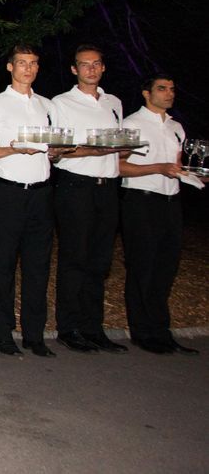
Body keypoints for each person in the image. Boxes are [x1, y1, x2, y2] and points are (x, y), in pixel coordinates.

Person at [0, 45, 58, 358]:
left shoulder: (47, 105)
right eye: (22, 63)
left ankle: (35, 335)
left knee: (38, 265)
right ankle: (3, 333)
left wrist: (57, 151)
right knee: (3, 263)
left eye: (33, 63)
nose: (28, 68)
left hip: (42, 191)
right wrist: (15, 148)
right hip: (10, 191)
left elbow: (55, 147)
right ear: (10, 68)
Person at [50, 44, 128, 354]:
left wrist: (117, 149)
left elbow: (118, 145)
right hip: (76, 185)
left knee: (100, 261)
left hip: (107, 186)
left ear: (103, 68)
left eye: (96, 64)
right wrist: (94, 149)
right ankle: (68, 328)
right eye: (84, 65)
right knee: (74, 258)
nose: (91, 69)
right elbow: (56, 150)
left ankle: (93, 327)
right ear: (74, 70)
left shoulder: (114, 102)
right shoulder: (61, 103)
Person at [119, 74, 199, 355]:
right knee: (143, 265)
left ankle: (161, 331)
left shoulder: (177, 127)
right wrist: (157, 168)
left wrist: (195, 175)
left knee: (166, 266)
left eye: (172, 89)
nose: (169, 94)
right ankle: (142, 332)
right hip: (142, 201)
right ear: (146, 93)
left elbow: (177, 166)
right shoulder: (131, 124)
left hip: (170, 201)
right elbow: (119, 167)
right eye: (162, 89)